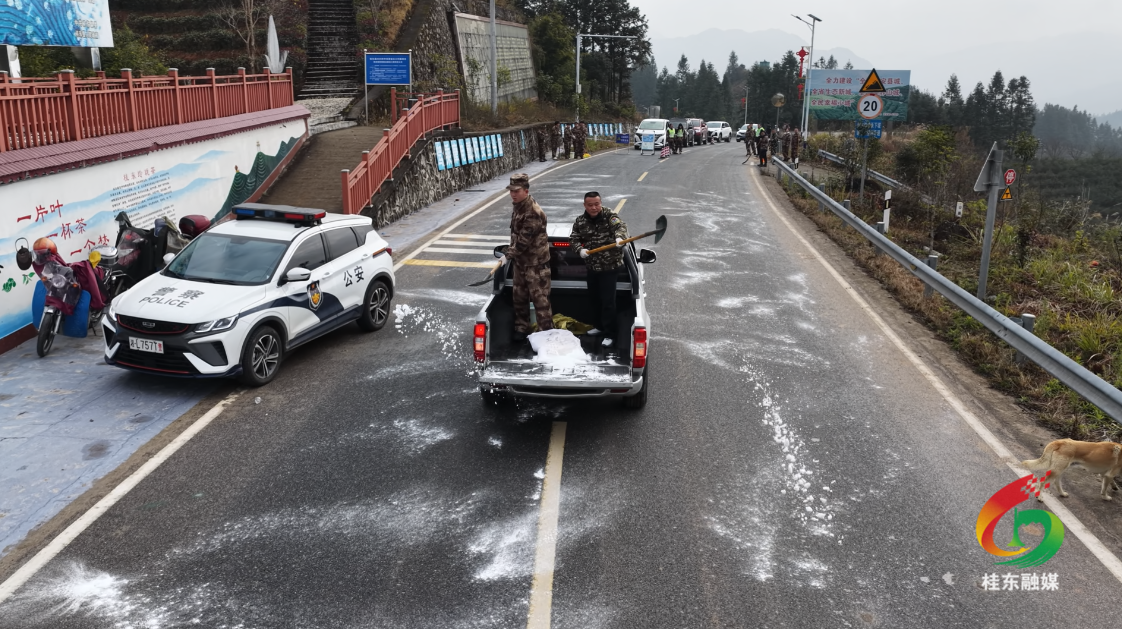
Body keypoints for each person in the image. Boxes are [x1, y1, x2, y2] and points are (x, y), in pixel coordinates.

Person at [570, 191, 629, 349]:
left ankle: (610, 334)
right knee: (594, 299)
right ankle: (599, 326)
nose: (594, 207)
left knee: (608, 302)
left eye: (597, 204)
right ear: (585, 205)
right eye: (590, 205)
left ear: (600, 203)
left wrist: (619, 238)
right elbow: (573, 238)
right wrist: (579, 250)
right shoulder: (580, 221)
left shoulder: (610, 216)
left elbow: (620, 227)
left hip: (610, 267)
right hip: (592, 267)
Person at [498, 173, 553, 342]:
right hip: (521, 263)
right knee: (519, 297)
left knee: (540, 301)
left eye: (517, 190)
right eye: (511, 191)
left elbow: (523, 241)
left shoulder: (533, 212)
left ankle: (546, 334)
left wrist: (507, 256)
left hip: (536, 265)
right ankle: (522, 328)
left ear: (526, 191)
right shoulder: (518, 206)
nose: (513, 194)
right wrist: (511, 256)